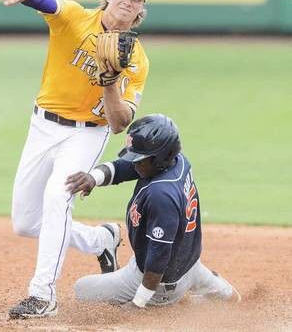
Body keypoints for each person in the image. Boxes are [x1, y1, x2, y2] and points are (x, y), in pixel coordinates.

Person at [1, 0, 150, 318]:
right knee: (26, 223)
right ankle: (102, 240)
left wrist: (110, 81)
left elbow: (118, 124)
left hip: (87, 133)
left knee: (57, 196)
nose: (127, 1)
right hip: (42, 126)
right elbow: (47, 2)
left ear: (142, 7)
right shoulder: (75, 19)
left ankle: (43, 295)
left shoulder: (138, 60)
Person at [66, 114, 241, 308]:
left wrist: (138, 303)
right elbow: (124, 167)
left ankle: (162, 304)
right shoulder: (176, 161)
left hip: (160, 283)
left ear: (160, 157)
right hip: (191, 265)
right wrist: (94, 178)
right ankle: (220, 290)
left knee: (81, 289)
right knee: (226, 298)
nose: (135, 163)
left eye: (139, 159)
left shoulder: (161, 196)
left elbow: (158, 259)